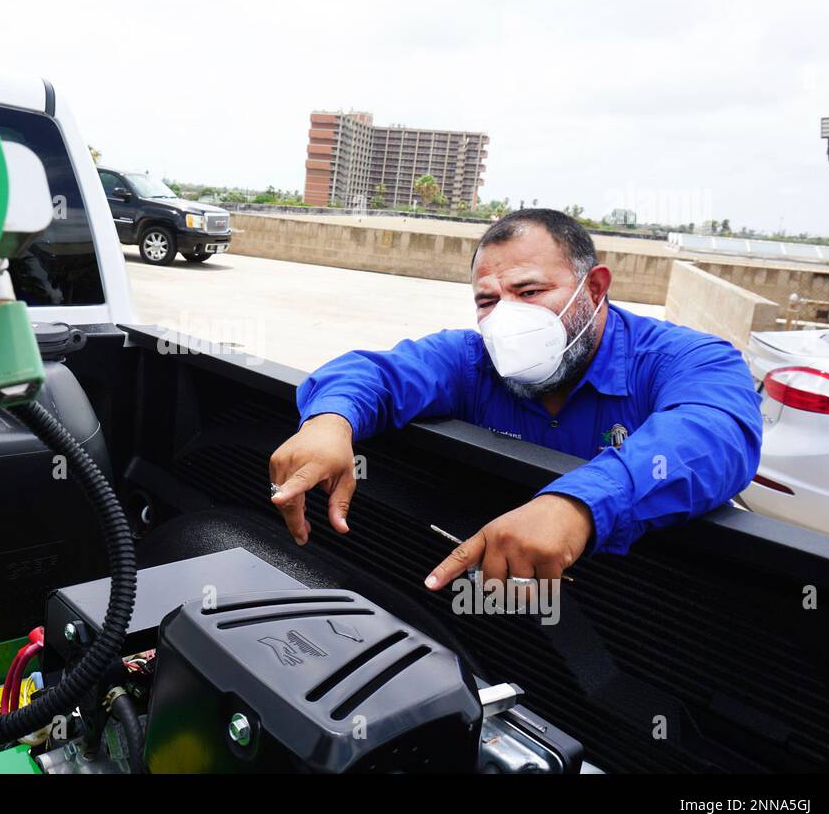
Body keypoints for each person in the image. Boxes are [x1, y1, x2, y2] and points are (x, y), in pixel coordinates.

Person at [268, 209, 762, 591]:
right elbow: (374, 372)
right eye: (488, 300)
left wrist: (579, 505)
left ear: (594, 287)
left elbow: (716, 432)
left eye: (529, 291)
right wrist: (330, 423)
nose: (507, 318)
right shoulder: (472, 359)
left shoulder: (686, 359)